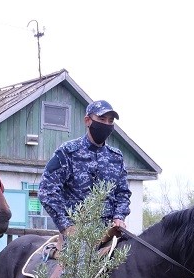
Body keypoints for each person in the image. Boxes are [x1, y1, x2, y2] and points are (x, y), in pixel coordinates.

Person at [37, 99, 130, 237]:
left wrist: (119, 217)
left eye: (110, 121)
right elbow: (47, 191)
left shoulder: (116, 157)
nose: (106, 124)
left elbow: (123, 193)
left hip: (109, 232)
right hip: (77, 235)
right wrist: (66, 226)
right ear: (87, 120)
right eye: (102, 119)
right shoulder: (68, 152)